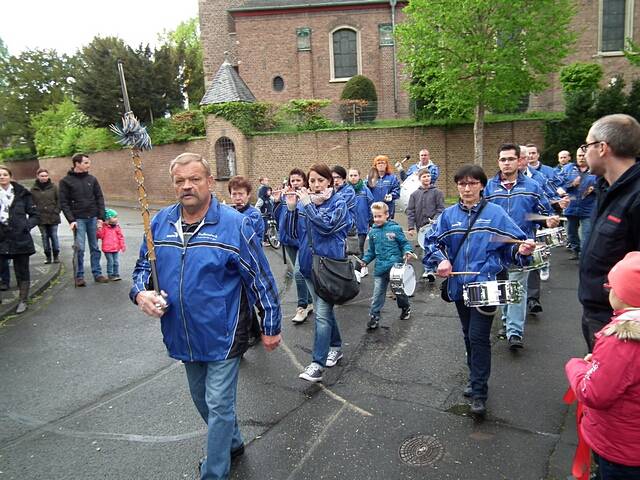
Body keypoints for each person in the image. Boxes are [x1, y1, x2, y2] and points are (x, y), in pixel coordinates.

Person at [130, 153, 281, 480]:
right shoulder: (159, 223)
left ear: (210, 182)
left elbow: (260, 278)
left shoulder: (234, 225)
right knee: (202, 400)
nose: (187, 186)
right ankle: (233, 441)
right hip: (181, 332)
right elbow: (144, 269)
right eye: (180, 180)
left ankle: (214, 472)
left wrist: (270, 324)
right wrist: (141, 293)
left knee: (218, 403)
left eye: (194, 179)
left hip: (224, 334)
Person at [423, 164, 535, 416]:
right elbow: (430, 242)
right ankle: (475, 378)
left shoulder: (495, 214)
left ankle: (479, 392)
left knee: (478, 337)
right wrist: (440, 259)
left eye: (472, 183)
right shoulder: (449, 216)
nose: (466, 188)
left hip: (486, 286)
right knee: (467, 335)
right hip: (460, 286)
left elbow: (511, 248)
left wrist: (521, 251)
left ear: (482, 185)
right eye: (462, 184)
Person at [565, 251, 640, 479]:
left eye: (612, 286)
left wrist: (576, 367)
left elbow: (594, 392)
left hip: (621, 448)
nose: (608, 289)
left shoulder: (622, 339)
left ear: (626, 294)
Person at [484, 144, 558, 349]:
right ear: (498, 162)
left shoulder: (532, 186)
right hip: (496, 248)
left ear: (519, 161)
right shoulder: (489, 187)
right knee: (502, 287)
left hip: (521, 247)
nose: (506, 163)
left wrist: (548, 220)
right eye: (502, 159)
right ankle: (507, 322)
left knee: (516, 287)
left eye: (510, 159)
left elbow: (544, 212)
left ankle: (514, 331)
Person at [579, 113, 640, 352]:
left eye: (587, 145)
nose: (584, 152)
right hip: (597, 313)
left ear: (602, 148)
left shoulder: (635, 198)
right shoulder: (607, 189)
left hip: (621, 325)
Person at [283, 163, 349, 383]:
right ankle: (336, 347)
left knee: (321, 313)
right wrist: (291, 210)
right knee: (325, 310)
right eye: (312, 181)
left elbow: (328, 227)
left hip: (329, 266)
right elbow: (292, 235)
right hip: (308, 264)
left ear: (329, 181)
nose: (316, 184)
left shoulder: (339, 201)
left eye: (321, 180)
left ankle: (317, 364)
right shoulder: (304, 204)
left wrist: (308, 205)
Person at [359, 202, 415, 330]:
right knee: (378, 294)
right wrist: (365, 261)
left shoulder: (395, 229)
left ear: (387, 215)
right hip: (380, 269)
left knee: (399, 292)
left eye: (379, 216)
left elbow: (404, 244)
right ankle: (374, 316)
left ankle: (405, 307)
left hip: (395, 268)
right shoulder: (373, 232)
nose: (377, 219)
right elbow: (371, 251)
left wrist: (407, 251)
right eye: (375, 217)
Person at [59, 153, 108, 286]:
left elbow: (99, 198)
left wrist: (100, 217)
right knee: (79, 249)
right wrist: (71, 220)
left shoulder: (92, 179)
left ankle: (97, 273)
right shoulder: (66, 181)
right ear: (77, 164)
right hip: (78, 219)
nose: (88, 164)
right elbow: (64, 203)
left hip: (92, 217)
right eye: (86, 162)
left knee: (94, 247)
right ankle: (79, 276)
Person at [273, 168, 314, 324]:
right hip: (288, 241)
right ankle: (310, 302)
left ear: (304, 181)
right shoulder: (286, 195)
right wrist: (276, 202)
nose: (295, 183)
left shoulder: (306, 197)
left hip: (303, 242)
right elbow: (278, 218)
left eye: (298, 180)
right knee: (301, 274)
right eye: (292, 180)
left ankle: (302, 306)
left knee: (299, 273)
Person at [228, 175, 264, 346]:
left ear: (248, 195)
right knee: (244, 301)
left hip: (252, 263)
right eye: (234, 194)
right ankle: (253, 332)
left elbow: (253, 239)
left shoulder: (253, 214)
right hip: (236, 265)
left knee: (258, 299)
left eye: (241, 194)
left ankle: (267, 327)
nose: (238, 198)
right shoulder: (230, 213)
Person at [0, 165, 40, 314]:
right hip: (2, 237)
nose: (2, 177)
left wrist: (26, 226)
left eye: (5, 174)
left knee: (22, 270)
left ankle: (23, 300)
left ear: (10, 176)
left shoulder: (23, 194)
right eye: (0, 175)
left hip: (20, 237)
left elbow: (35, 215)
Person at [406, 168, 445, 281]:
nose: (427, 178)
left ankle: (430, 269)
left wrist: (435, 220)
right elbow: (411, 211)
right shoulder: (414, 194)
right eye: (424, 176)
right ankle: (430, 268)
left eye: (428, 176)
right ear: (419, 179)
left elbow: (441, 209)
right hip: (421, 226)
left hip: (433, 226)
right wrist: (410, 227)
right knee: (425, 246)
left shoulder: (437, 192)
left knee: (433, 246)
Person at [564, 147, 597, 260]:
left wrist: (595, 188)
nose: (581, 158)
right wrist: (571, 184)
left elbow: (605, 184)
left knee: (586, 234)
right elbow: (558, 185)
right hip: (571, 207)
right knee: (571, 233)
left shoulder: (595, 169)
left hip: (588, 208)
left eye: (584, 155)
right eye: (579, 155)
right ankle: (576, 250)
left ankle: (584, 255)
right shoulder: (568, 169)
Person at [30, 168, 61, 264]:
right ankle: (48, 256)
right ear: (38, 176)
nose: (44, 178)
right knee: (44, 236)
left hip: (53, 216)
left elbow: (59, 200)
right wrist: (35, 212)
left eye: (46, 176)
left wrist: (56, 211)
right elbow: (31, 203)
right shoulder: (33, 189)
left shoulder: (54, 187)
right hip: (40, 218)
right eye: (42, 176)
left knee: (54, 236)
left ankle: (56, 256)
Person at [347, 168, 373, 274]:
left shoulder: (365, 189)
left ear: (359, 176)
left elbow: (371, 205)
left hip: (362, 224)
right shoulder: (346, 190)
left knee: (359, 248)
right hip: (348, 226)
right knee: (348, 249)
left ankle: (357, 271)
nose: (353, 178)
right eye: (351, 175)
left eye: (355, 175)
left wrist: (370, 221)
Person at [96, 208, 126, 281]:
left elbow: (120, 236)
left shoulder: (117, 227)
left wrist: (122, 245)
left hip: (115, 248)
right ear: (108, 218)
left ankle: (116, 274)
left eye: (116, 217)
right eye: (114, 217)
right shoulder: (104, 227)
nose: (116, 219)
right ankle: (110, 274)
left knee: (116, 262)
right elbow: (100, 236)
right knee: (110, 261)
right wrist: (99, 229)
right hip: (107, 249)